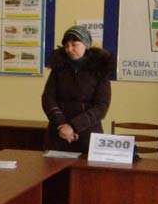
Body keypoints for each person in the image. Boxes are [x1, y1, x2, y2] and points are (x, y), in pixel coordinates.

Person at [41, 25, 113, 153]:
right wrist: (62, 125)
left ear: (86, 45)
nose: (69, 49)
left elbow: (101, 106)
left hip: (88, 135)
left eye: (74, 45)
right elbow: (48, 98)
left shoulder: (100, 69)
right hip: (58, 133)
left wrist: (73, 126)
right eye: (66, 46)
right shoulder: (58, 69)